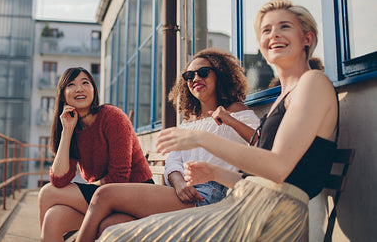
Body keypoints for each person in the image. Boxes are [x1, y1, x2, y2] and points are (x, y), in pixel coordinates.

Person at [96, 0, 338, 242]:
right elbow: (257, 179)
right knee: (114, 232)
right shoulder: (285, 96)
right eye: (266, 30)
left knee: (117, 237)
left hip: (271, 216)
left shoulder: (313, 82)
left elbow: (278, 168)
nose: (273, 34)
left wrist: (200, 137)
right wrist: (214, 173)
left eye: (284, 26)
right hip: (247, 204)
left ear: (307, 38)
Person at [75, 48, 260, 242]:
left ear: (219, 74)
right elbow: (173, 160)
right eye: (189, 75)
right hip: (182, 193)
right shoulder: (189, 121)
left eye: (203, 72)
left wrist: (229, 119)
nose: (196, 78)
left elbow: (261, 143)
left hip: (212, 195)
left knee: (104, 194)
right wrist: (179, 183)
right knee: (110, 224)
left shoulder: (235, 110)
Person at [37, 67, 153, 241]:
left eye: (85, 83)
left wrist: (95, 184)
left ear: (94, 90)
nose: (79, 88)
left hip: (136, 196)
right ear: (63, 95)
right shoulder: (74, 128)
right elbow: (60, 179)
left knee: (47, 193)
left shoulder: (112, 117)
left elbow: (119, 178)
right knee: (53, 217)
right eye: (71, 84)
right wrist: (67, 131)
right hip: (104, 197)